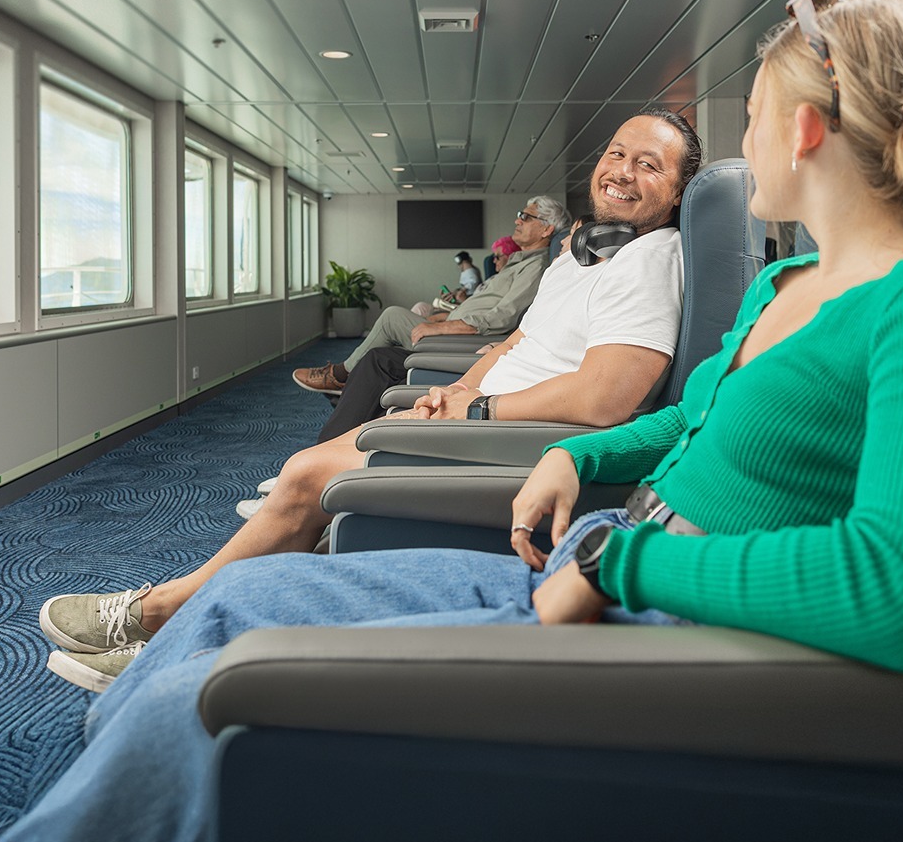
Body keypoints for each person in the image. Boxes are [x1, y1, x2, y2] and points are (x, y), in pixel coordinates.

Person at [0, 0, 903, 842]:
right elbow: (689, 420)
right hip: (606, 560)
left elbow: (899, 593)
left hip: (678, 628)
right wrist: (579, 455)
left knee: (205, 696)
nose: (745, 141)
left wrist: (620, 564)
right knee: (236, 600)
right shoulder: (791, 282)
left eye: (753, 114)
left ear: (804, 130)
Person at [38, 109, 703, 685]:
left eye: (648, 165)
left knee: (307, 475)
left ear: (676, 194)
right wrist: (457, 390)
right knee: (315, 469)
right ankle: (201, 629)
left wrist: (480, 409)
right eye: (617, 153)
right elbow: (517, 342)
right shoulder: (582, 255)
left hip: (519, 443)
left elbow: (605, 396)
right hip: (482, 420)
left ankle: (161, 617)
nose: (622, 170)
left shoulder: (650, 260)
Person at [315, 215, 594, 443]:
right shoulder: (550, 277)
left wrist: (477, 399)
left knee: (380, 357)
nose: (564, 242)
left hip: (478, 381)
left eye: (572, 236)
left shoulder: (550, 275)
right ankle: (339, 424)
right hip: (478, 383)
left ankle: (341, 388)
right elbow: (513, 341)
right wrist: (459, 387)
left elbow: (504, 318)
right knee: (378, 367)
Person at [292, 198, 567, 396]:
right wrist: (445, 317)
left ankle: (340, 375)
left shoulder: (535, 267)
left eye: (526, 217)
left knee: (391, 317)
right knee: (394, 331)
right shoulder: (519, 261)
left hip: (465, 341)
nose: (517, 220)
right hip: (457, 329)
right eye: (520, 214)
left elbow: (503, 316)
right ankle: (352, 377)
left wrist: (445, 326)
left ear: (546, 230)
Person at [409, 251, 483, 316]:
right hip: (460, 304)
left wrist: (461, 294)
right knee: (421, 307)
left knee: (420, 308)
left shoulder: (470, 271)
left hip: (464, 306)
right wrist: (454, 294)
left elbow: (472, 284)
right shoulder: (471, 272)